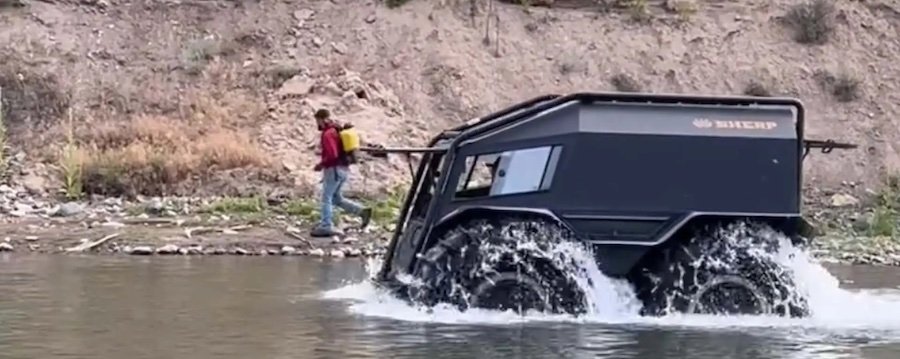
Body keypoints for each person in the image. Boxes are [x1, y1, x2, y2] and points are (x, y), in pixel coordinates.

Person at [310, 108, 372, 237]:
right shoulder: (337, 130)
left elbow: (332, 154)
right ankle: (362, 212)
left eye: (318, 120)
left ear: (322, 119)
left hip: (333, 169)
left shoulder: (328, 133)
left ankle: (326, 225)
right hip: (343, 169)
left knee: (326, 197)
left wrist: (321, 165)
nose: (318, 124)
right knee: (336, 198)